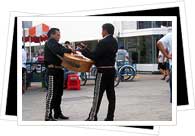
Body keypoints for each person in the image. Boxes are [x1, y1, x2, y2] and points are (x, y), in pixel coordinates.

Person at [78, 23, 118, 121]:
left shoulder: (102, 42)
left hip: (102, 71)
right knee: (111, 95)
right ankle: (110, 117)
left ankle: (93, 116)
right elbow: (101, 55)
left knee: (97, 95)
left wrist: (83, 51)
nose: (101, 32)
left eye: (102, 30)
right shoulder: (114, 41)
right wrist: (87, 49)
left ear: (105, 31)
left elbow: (94, 56)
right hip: (111, 70)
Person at [44, 28, 73, 121]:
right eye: (57, 34)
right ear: (52, 35)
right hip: (52, 71)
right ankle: (48, 115)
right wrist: (69, 50)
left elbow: (60, 49)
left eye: (59, 35)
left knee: (59, 94)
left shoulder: (56, 43)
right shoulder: (50, 42)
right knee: (52, 94)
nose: (59, 36)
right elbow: (58, 50)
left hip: (59, 70)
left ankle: (57, 113)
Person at [157, 32, 172, 102]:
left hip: (167, 61)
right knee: (165, 69)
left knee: (164, 68)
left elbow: (159, 43)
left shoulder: (170, 35)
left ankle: (166, 75)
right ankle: (166, 75)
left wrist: (165, 57)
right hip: (167, 60)